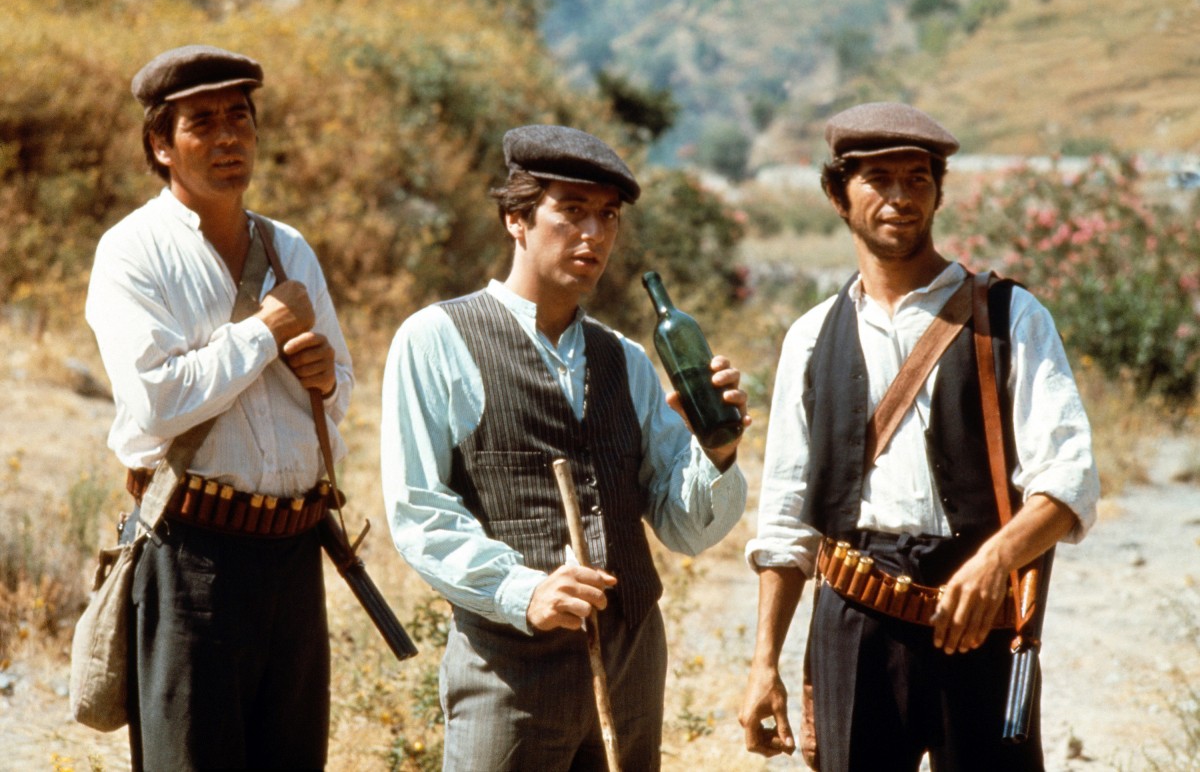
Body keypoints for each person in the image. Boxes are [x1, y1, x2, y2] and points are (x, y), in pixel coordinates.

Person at [738, 102, 1100, 771]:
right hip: (854, 617)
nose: (900, 198)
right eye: (878, 179)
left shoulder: (1010, 316)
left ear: (938, 192)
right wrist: (764, 664)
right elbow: (786, 519)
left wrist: (994, 563)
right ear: (837, 195)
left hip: (981, 613)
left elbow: (1069, 480)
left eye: (917, 179)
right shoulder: (810, 338)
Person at [381, 124, 750, 771]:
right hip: (510, 673)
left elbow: (686, 529)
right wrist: (522, 591)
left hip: (631, 665)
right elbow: (418, 510)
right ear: (516, 219)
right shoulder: (436, 339)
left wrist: (717, 452)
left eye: (608, 216)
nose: (594, 234)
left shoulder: (626, 360)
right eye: (572, 211)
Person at [85, 44, 353, 769]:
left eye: (240, 118)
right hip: (191, 555)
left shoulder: (289, 248)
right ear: (161, 146)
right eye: (202, 123)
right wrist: (264, 333)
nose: (229, 137)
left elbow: (340, 390)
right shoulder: (132, 252)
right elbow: (158, 400)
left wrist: (326, 379)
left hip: (294, 552)